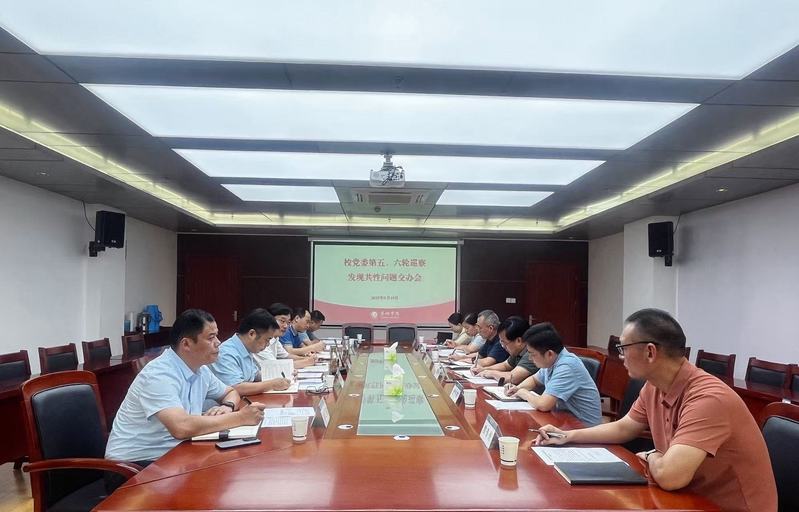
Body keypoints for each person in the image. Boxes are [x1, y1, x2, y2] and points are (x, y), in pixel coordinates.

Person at [534, 309, 777, 512]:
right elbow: (625, 427)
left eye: (623, 347)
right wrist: (568, 436)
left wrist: (651, 455)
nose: (621, 356)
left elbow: (671, 477)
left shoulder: (709, 399)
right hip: (686, 499)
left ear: (650, 351)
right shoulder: (654, 386)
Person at [105, 309, 266, 465]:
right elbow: (181, 427)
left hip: (176, 453)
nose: (218, 343)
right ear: (187, 344)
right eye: (211, 338)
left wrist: (227, 406)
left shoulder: (200, 369)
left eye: (216, 336)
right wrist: (240, 418)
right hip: (135, 465)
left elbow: (231, 392)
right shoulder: (160, 374)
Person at [507, 322, 601, 426]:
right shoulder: (553, 360)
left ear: (549, 354)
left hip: (583, 428)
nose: (530, 358)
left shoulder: (567, 366)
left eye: (532, 354)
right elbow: (534, 380)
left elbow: (543, 405)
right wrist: (517, 389)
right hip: (563, 421)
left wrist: (524, 393)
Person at [210, 309, 292, 395]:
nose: (268, 345)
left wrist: (283, 377)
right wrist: (272, 384)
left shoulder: (246, 349)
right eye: (267, 340)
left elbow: (256, 375)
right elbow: (235, 388)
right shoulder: (226, 353)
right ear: (252, 334)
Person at [477, 316, 537, 385]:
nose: (503, 346)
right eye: (501, 342)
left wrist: (491, 373)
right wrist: (483, 369)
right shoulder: (517, 351)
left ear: (519, 341)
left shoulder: (532, 353)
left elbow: (513, 377)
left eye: (504, 342)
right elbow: (505, 365)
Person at [254, 303, 316, 369]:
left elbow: (286, 356)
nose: (286, 326)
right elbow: (275, 366)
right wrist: (307, 361)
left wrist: (306, 359)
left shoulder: (276, 339)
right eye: (282, 321)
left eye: (288, 322)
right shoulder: (261, 341)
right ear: (270, 320)